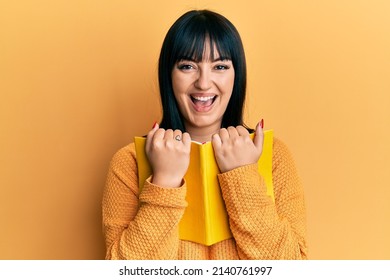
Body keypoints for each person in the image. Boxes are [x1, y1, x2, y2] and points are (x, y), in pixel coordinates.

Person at [102, 9, 307, 259]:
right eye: (187, 66)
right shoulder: (130, 162)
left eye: (220, 66)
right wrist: (164, 181)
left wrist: (242, 175)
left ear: (236, 76)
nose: (204, 82)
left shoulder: (272, 155)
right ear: (169, 75)